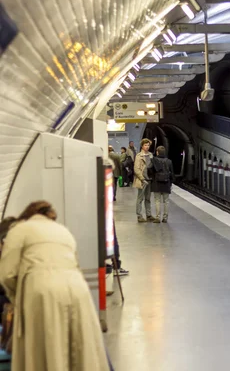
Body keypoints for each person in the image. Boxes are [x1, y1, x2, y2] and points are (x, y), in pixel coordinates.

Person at [0, 201, 110, 371]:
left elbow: (7, 274)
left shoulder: (19, 229)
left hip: (42, 289)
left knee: (50, 346)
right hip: (78, 289)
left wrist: (18, 299)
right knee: (80, 347)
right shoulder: (63, 231)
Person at [149, 146, 174, 223]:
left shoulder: (154, 160)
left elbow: (149, 170)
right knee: (166, 201)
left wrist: (152, 178)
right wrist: (171, 183)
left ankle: (158, 217)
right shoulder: (169, 161)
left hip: (156, 183)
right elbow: (172, 173)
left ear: (157, 152)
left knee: (157, 201)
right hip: (166, 183)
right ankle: (165, 218)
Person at [133, 138, 156, 222]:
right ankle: (139, 216)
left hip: (149, 180)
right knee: (140, 198)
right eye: (145, 145)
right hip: (142, 180)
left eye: (148, 145)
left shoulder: (151, 155)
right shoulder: (139, 156)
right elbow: (136, 169)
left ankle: (149, 215)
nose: (147, 147)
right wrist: (142, 179)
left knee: (148, 198)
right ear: (142, 146)